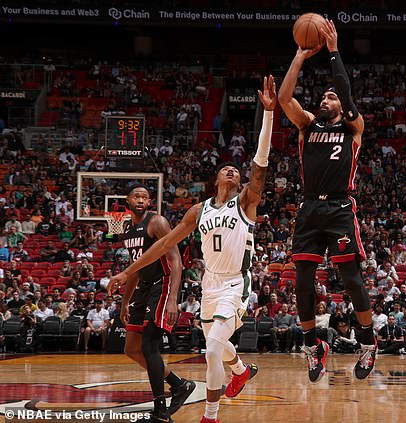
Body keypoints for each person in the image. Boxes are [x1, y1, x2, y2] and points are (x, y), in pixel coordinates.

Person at [109, 76, 276, 423]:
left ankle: (210, 416)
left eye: (236, 170)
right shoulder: (198, 211)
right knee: (217, 343)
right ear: (216, 179)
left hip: (235, 283)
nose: (232, 170)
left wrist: (269, 115)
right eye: (225, 168)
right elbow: (165, 245)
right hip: (209, 284)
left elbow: (259, 165)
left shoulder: (246, 203)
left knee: (212, 347)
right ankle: (240, 370)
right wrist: (127, 272)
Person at [279, 19, 377, 382]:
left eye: (330, 96)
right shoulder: (307, 126)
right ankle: (312, 346)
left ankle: (368, 342)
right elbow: (285, 98)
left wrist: (334, 52)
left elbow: (347, 96)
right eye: (323, 96)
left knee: (350, 278)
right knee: (303, 283)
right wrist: (300, 56)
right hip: (308, 207)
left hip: (339, 206)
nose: (325, 99)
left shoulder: (353, 129)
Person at [107, 183, 194, 423]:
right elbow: (135, 270)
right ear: (127, 200)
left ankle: (161, 412)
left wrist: (174, 298)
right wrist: (125, 302)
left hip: (162, 283)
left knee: (149, 345)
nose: (141, 199)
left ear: (149, 202)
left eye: (145, 196)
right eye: (136, 195)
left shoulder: (158, 223)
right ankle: (179, 385)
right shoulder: (125, 227)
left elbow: (176, 261)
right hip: (143, 287)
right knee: (131, 348)